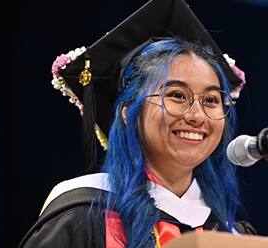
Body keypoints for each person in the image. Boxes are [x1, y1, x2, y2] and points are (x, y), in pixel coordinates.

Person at [19, 0, 255, 247]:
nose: (197, 116)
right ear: (127, 110)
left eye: (210, 100)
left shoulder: (232, 234)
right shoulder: (81, 217)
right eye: (176, 95)